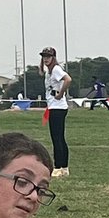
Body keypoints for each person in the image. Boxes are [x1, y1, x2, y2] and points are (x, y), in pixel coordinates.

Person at [40, 47, 71, 177]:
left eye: (48, 56)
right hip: (54, 106)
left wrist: (61, 93)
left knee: (56, 138)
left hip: (57, 107)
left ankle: (58, 167)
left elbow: (68, 79)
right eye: (44, 56)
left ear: (53, 57)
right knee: (60, 138)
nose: (46, 59)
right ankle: (64, 167)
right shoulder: (49, 72)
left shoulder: (56, 69)